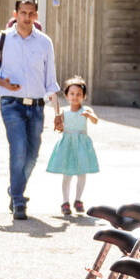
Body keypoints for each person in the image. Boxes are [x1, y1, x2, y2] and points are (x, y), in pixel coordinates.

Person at [0, 0, 61, 221]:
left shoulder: (45, 43)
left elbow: (51, 81)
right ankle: (18, 199)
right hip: (11, 104)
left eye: (31, 13)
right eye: (22, 13)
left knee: (33, 154)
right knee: (18, 150)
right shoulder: (3, 39)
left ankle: (14, 188)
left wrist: (58, 113)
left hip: (37, 107)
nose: (27, 17)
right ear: (15, 14)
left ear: (36, 15)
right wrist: (2, 82)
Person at [46, 76, 100, 216]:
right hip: (68, 145)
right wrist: (58, 124)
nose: (75, 97)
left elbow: (95, 121)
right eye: (72, 94)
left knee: (82, 173)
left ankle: (78, 199)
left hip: (82, 145)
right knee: (67, 174)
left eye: (78, 94)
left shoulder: (86, 109)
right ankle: (65, 202)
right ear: (66, 95)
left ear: (83, 96)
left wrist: (89, 115)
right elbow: (58, 125)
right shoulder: (64, 111)